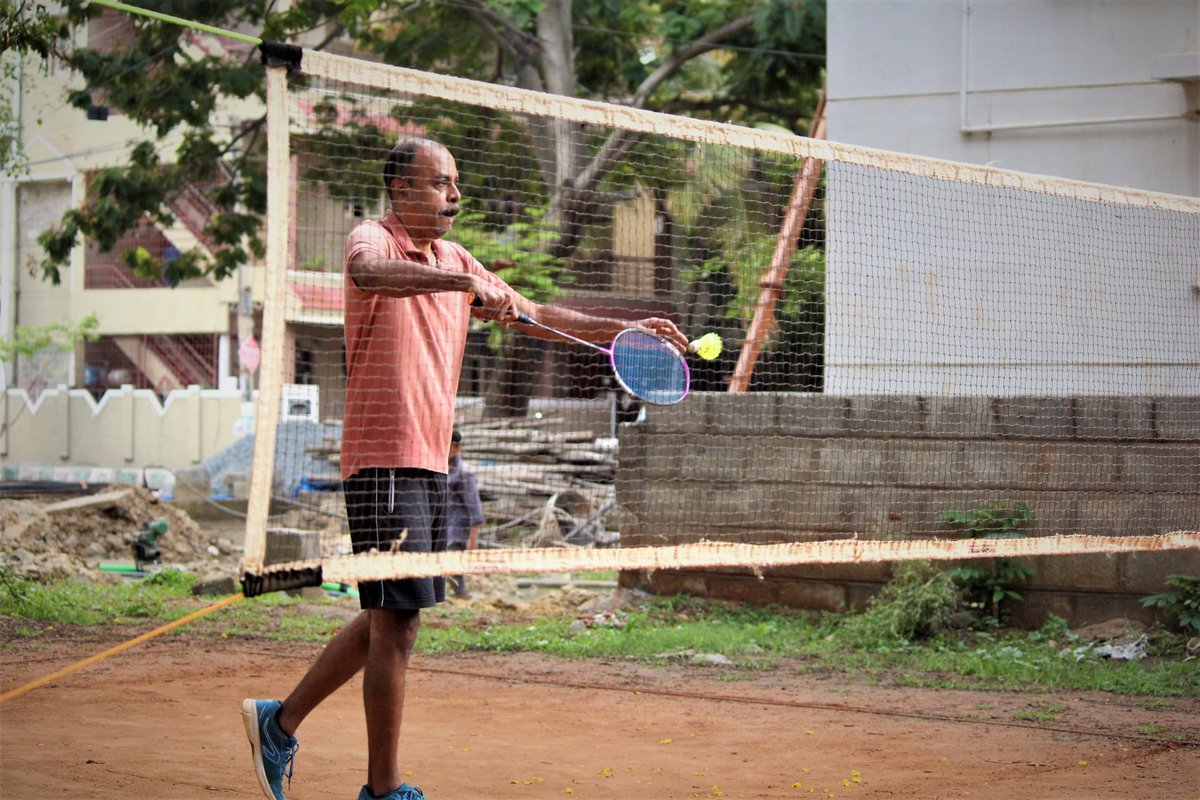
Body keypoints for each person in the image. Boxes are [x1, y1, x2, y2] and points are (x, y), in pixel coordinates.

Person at [242, 136, 688, 800]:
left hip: (429, 462)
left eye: (455, 184)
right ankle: (383, 789)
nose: (453, 195)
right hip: (382, 457)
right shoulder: (375, 239)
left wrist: (625, 332)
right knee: (399, 621)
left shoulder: (456, 258)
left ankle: (278, 724)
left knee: (390, 612)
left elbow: (538, 316)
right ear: (400, 190)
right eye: (438, 183)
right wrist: (462, 285)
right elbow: (369, 274)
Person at [446, 428, 484, 599]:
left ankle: (462, 595)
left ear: (457, 447)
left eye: (450, 446)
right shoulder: (439, 469)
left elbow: (474, 506)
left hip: (458, 527)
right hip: (442, 525)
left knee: (453, 563)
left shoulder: (465, 472)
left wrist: (473, 537)